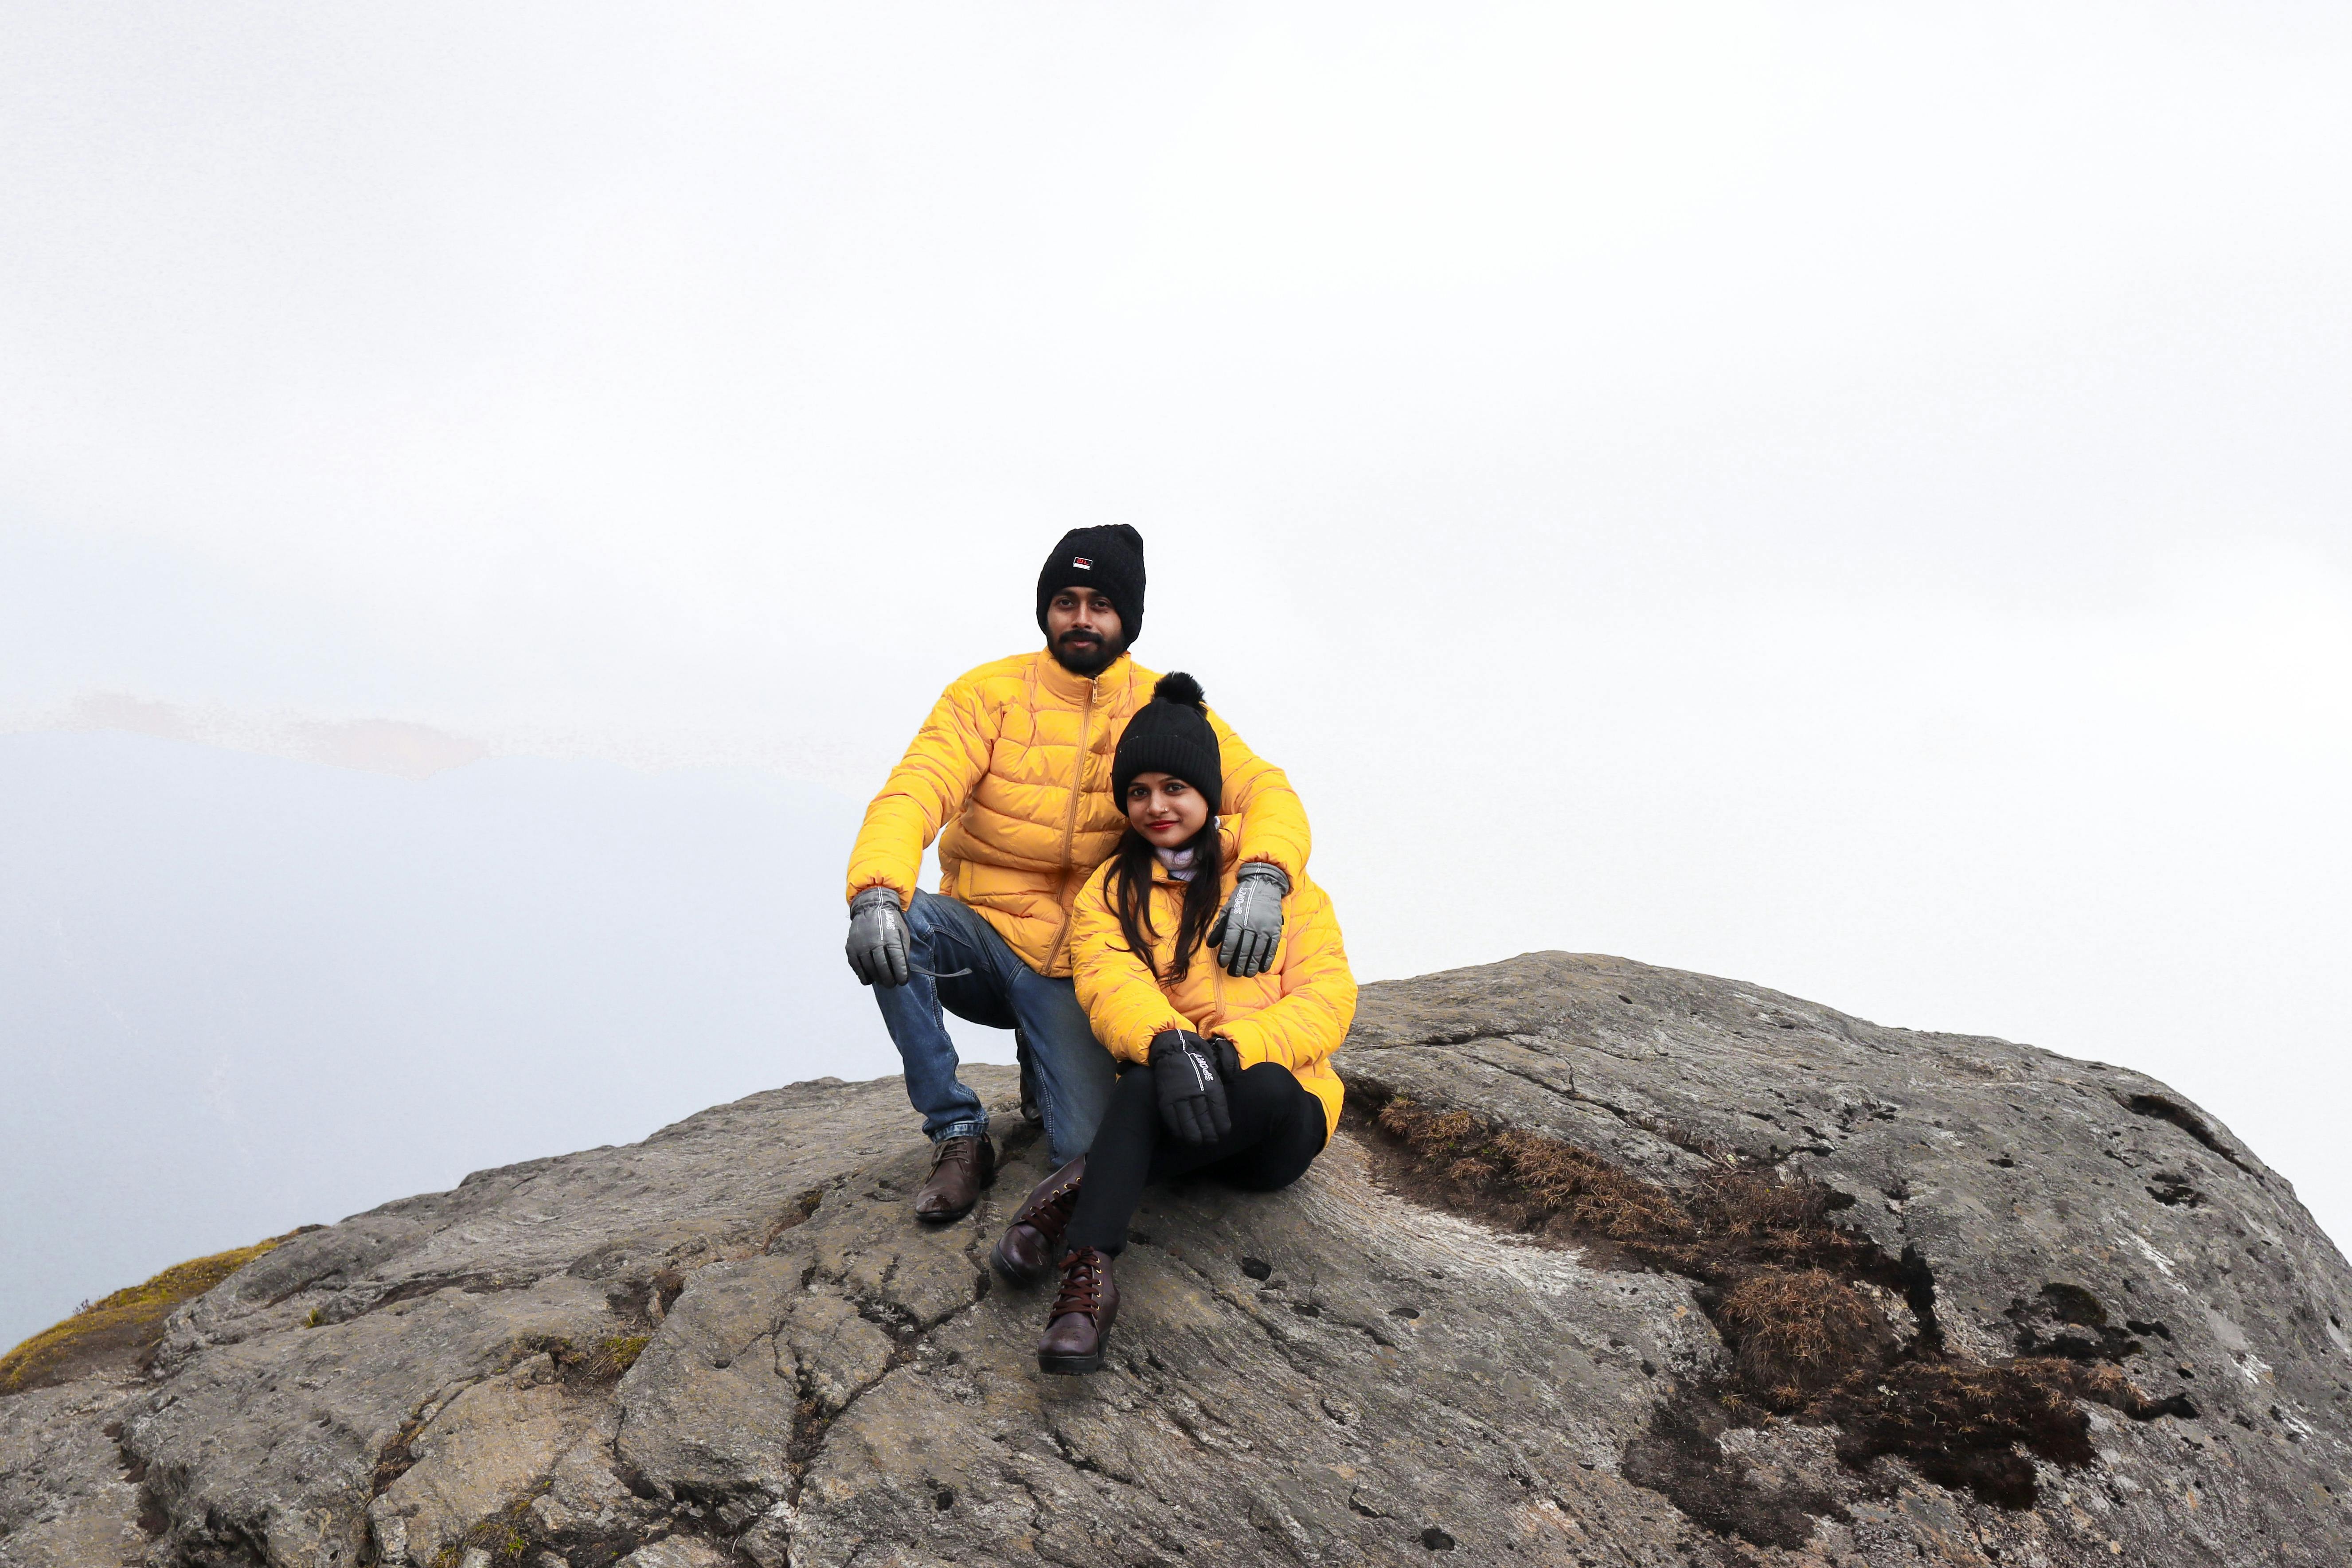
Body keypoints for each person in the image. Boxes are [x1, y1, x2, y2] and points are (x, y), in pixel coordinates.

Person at [843, 528, 1314, 1222]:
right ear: (1046, 610)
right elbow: (915, 789)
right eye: (1065, 600)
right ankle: (957, 1131)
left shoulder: (1162, 706)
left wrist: (1265, 877)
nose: (1082, 618)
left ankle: (1043, 1054)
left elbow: (1265, 790)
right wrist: (877, 890)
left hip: (1087, 964)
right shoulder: (986, 695)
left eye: (1100, 603)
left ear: (1129, 616)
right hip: (984, 934)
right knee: (893, 926)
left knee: (1082, 1147)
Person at [986, 672, 1356, 1373]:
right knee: (1144, 1078)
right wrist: (1169, 1044)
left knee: (1273, 1085)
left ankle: (1070, 1190)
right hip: (1170, 1099)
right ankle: (1085, 1285)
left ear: (1209, 794)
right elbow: (1109, 984)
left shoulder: (1279, 883)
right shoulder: (1109, 891)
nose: (1155, 806)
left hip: (1272, 1120)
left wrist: (1225, 1051)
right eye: (1138, 791)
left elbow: (1328, 997)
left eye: (1174, 788)